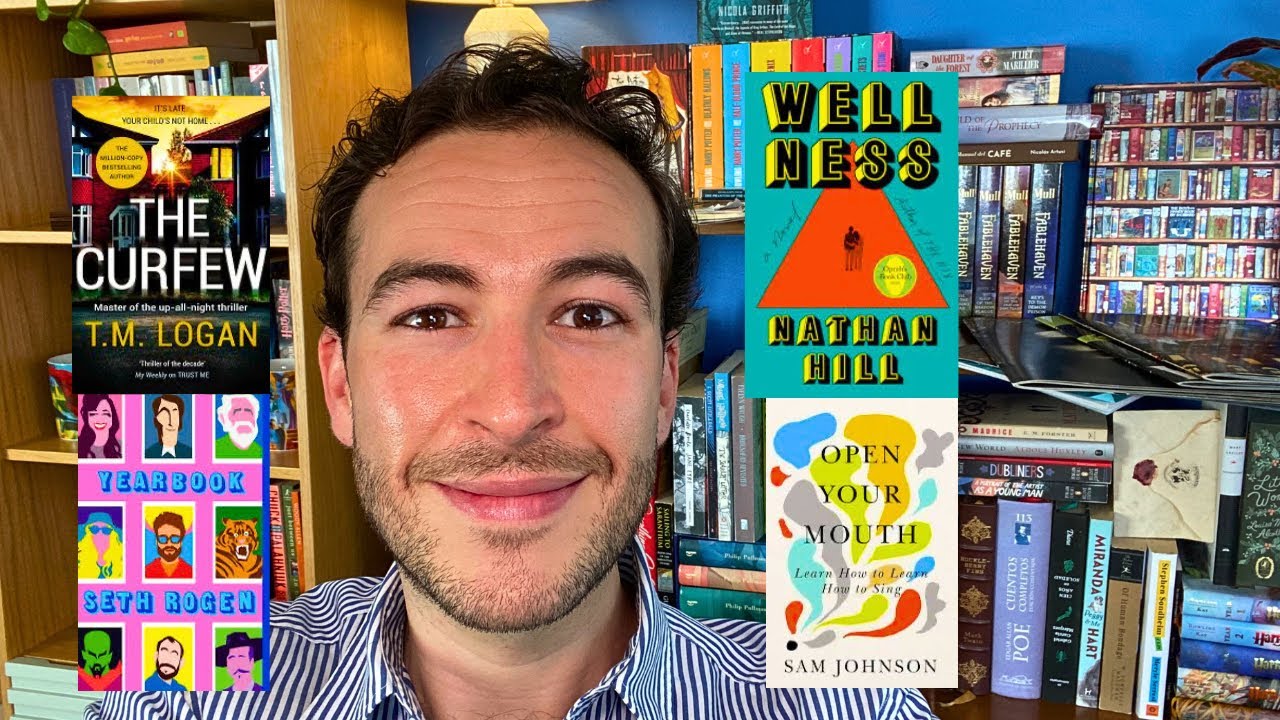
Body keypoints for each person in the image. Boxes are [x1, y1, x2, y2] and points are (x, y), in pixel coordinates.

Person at [87, 43, 938, 720]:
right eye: (430, 316)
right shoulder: (175, 694)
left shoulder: (851, 704)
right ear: (339, 388)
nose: (512, 408)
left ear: (663, 385)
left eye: (590, 314)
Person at [145, 511, 193, 579]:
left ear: (181, 541)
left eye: (174, 538)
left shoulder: (191, 572)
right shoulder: (146, 572)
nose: (169, 544)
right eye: (163, 539)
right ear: (156, 541)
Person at [213, 394, 262, 459]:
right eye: (236, 411)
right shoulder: (214, 450)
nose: (243, 416)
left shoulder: (260, 451)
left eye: (248, 411)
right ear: (223, 419)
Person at [145, 395, 192, 459]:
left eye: (174, 412)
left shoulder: (189, 453)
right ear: (156, 420)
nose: (171, 420)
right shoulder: (148, 454)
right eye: (165, 413)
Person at [79, 394, 122, 459]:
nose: (100, 419)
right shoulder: (79, 444)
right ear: (87, 417)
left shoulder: (122, 446)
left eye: (105, 414)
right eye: (93, 414)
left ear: (112, 417)